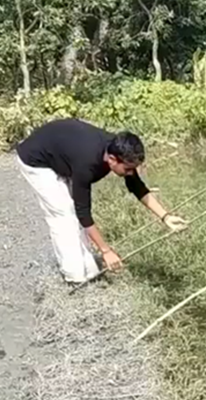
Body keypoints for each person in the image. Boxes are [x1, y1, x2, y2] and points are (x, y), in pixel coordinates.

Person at [15, 117, 187, 286]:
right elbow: (83, 212)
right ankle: (74, 277)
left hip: (63, 151)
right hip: (36, 159)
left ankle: (88, 270)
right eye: (128, 169)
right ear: (112, 159)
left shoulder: (119, 151)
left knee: (72, 214)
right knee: (63, 215)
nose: (130, 173)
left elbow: (138, 187)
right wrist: (106, 250)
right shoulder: (87, 164)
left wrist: (166, 217)